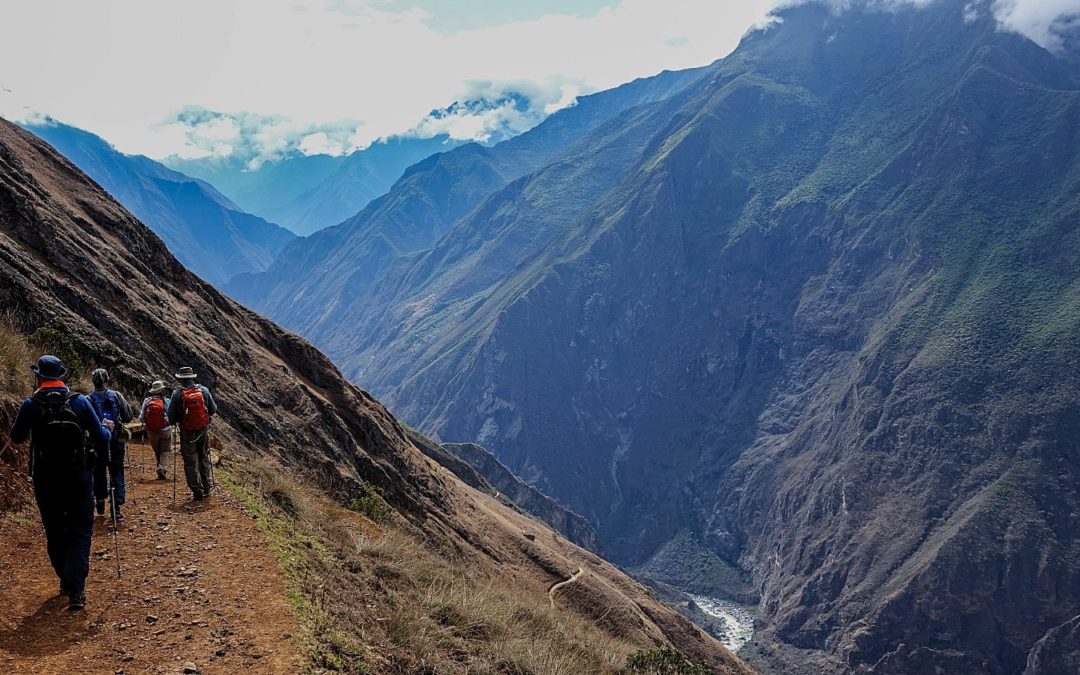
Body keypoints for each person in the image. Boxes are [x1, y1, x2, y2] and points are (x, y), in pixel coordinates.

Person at [9, 355, 111, 611]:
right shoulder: (79, 402)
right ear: (62, 376)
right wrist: (108, 430)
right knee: (80, 529)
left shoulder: (31, 405)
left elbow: (17, 437)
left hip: (46, 480)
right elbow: (100, 437)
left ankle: (65, 579)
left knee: (54, 529)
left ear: (39, 376)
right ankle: (76, 589)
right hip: (79, 478)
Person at [88, 368, 134, 520]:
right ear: (106, 380)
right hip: (115, 441)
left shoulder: (89, 399)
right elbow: (128, 416)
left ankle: (100, 501)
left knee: (98, 471)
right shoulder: (117, 396)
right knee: (117, 471)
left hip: (97, 442)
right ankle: (117, 507)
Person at [167, 367, 216, 501]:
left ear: (181, 379)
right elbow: (213, 409)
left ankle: (196, 490)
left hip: (187, 432)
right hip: (203, 430)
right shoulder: (204, 390)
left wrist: (178, 419)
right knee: (204, 457)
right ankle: (207, 487)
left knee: (190, 460)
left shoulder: (177, 393)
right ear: (192, 377)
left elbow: (171, 417)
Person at [140, 380, 172, 480]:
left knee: (157, 450)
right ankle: (162, 468)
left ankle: (160, 467)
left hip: (152, 430)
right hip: (165, 429)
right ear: (162, 390)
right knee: (165, 449)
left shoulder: (147, 401)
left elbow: (141, 417)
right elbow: (171, 415)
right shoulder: (166, 401)